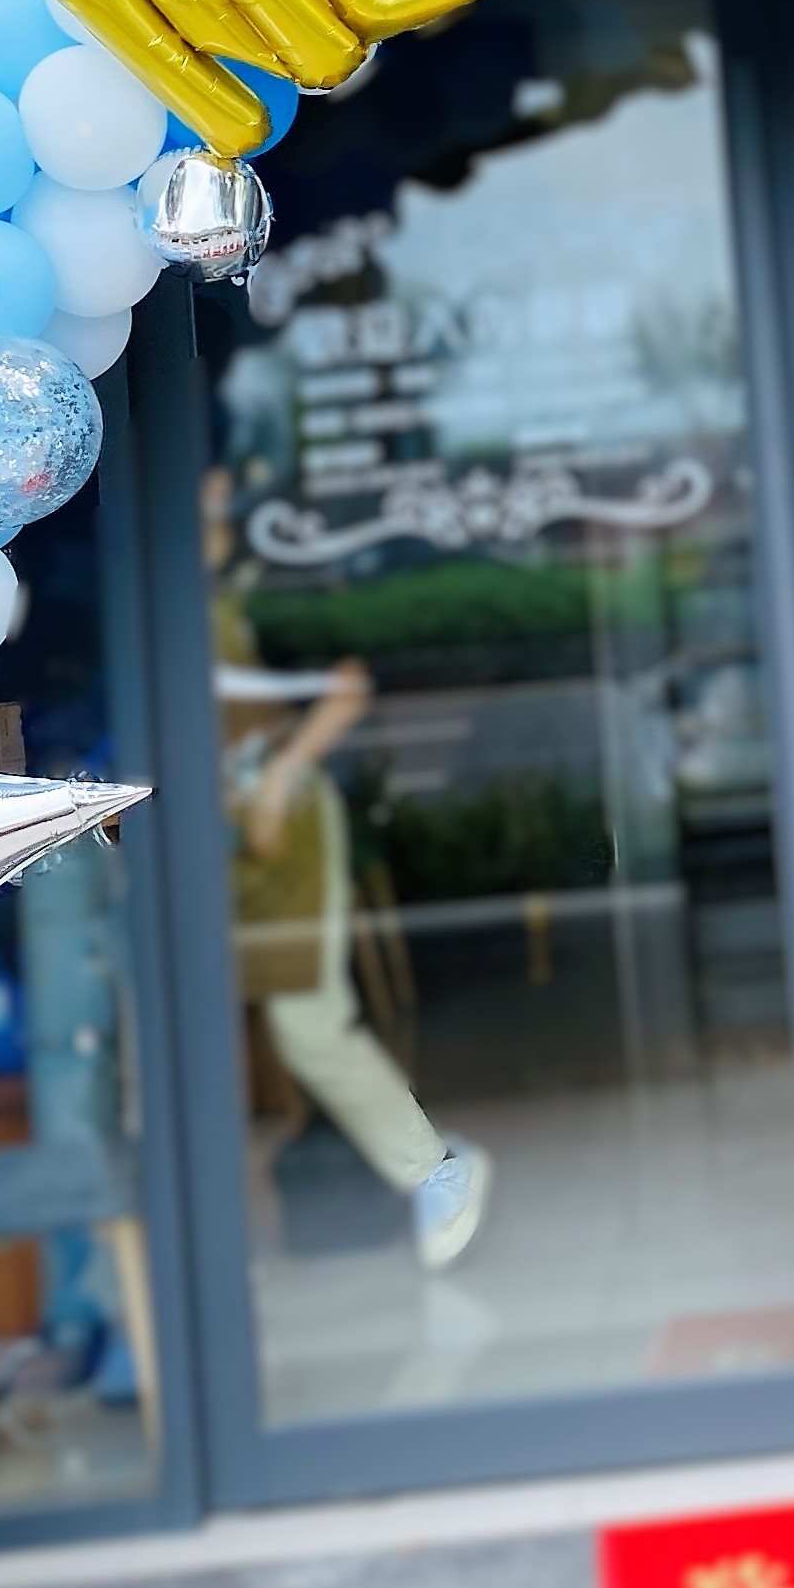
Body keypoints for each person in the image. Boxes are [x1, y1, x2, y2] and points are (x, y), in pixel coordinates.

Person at [207, 470, 490, 1270]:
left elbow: (346, 687)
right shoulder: (189, 586)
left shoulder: (266, 574)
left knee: (305, 1019)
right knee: (222, 1017)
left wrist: (281, 777)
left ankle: (435, 1170)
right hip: (225, 825)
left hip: (285, 821)